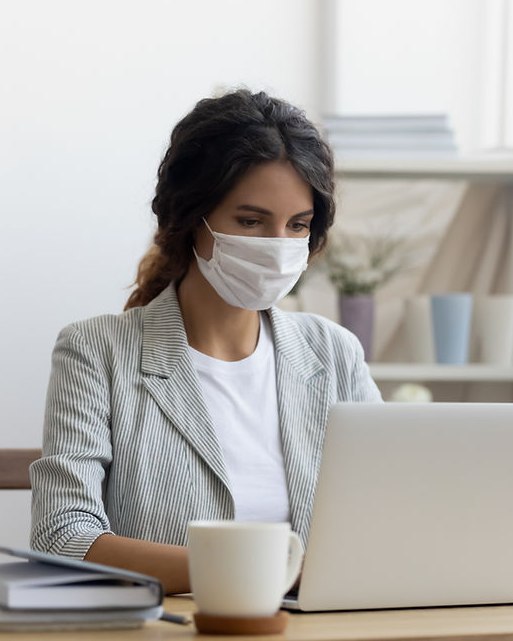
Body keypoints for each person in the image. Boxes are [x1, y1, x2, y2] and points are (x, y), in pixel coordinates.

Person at [29, 89, 381, 594]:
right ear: (192, 218)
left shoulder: (335, 353)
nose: (277, 245)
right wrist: (255, 572)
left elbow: (387, 516)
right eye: (250, 220)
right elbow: (62, 536)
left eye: (297, 225)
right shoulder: (97, 351)